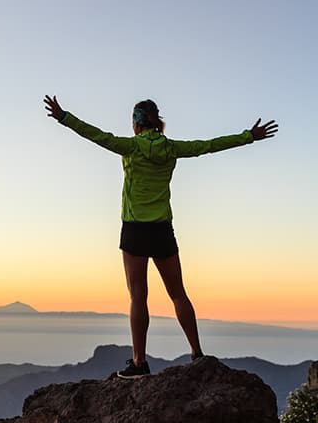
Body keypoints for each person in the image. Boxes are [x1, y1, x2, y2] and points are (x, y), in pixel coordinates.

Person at [44, 95, 278, 378]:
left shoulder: (130, 147)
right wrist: (248, 136)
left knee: (138, 296)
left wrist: (63, 116)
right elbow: (208, 146)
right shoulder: (172, 149)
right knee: (178, 293)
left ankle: (139, 363)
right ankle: (197, 353)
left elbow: (96, 135)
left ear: (136, 123)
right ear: (157, 122)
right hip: (162, 229)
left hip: (134, 229)